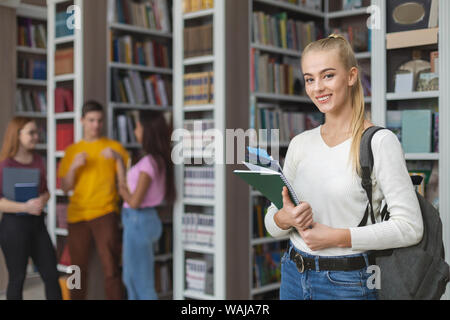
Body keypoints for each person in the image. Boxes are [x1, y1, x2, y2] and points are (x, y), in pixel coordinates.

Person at [264, 34, 424, 300]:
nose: (317, 88)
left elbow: (410, 227)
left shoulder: (379, 142)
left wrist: (337, 237)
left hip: (347, 283)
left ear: (351, 76)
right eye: (309, 79)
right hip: (292, 274)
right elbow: (272, 221)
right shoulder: (300, 143)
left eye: (327, 75)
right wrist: (285, 218)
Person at [58, 101, 129, 300]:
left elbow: (126, 187)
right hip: (77, 216)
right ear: (82, 121)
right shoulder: (72, 151)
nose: (96, 125)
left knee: (111, 268)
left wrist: (118, 160)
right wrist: (73, 167)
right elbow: (65, 187)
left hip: (105, 213)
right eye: (91, 120)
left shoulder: (115, 148)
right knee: (77, 270)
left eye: (99, 120)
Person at [0, 117, 62, 300]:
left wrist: (42, 200)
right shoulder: (5, 164)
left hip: (37, 225)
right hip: (13, 227)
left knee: (51, 274)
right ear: (17, 135)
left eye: (37, 132)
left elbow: (46, 192)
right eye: (31, 133)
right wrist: (25, 206)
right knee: (17, 278)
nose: (36, 136)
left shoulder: (38, 160)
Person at [116, 110, 175, 300]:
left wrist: (120, 184)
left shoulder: (149, 162)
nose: (135, 131)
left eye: (138, 127)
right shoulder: (157, 159)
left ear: (147, 131)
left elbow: (133, 201)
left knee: (141, 283)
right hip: (144, 220)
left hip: (138, 221)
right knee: (131, 278)